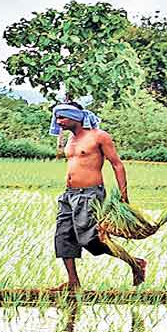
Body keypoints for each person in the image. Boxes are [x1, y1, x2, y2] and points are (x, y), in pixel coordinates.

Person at [50, 102, 146, 290]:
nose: (58, 122)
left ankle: (136, 263)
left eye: (62, 117)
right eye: (57, 118)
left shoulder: (99, 136)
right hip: (69, 195)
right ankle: (73, 283)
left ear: (75, 117)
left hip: (90, 195)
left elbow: (117, 164)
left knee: (91, 239)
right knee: (63, 237)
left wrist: (123, 195)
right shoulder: (70, 140)